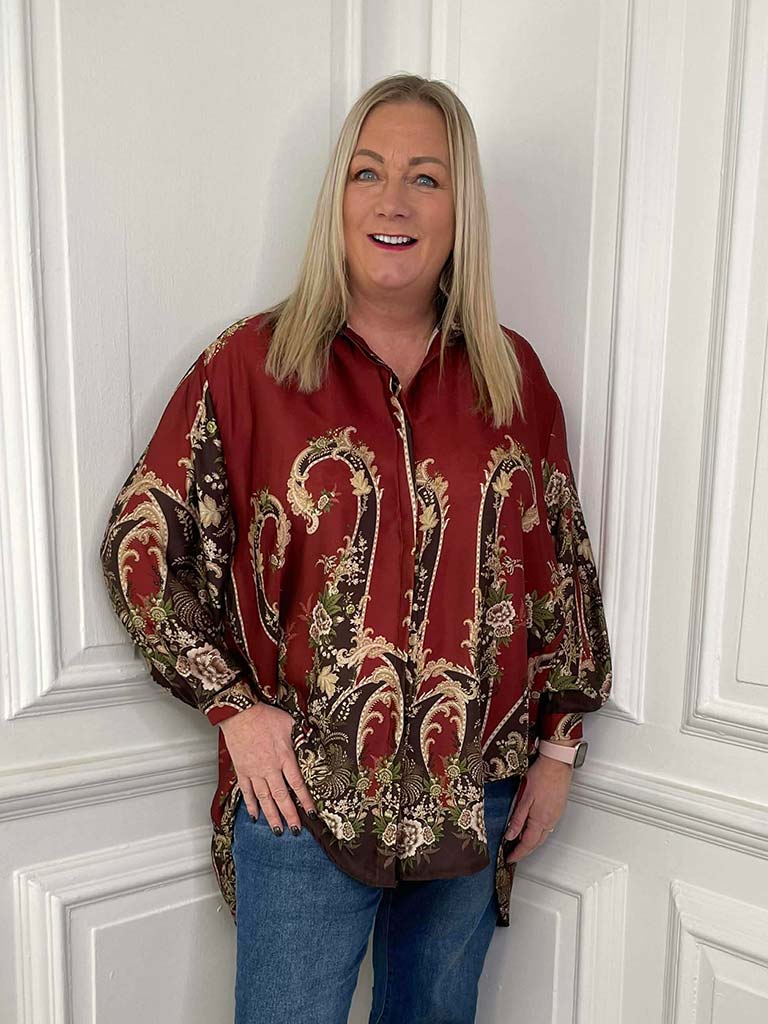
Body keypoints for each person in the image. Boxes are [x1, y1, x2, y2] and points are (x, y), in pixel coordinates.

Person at [100, 72, 612, 1024]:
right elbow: (142, 545)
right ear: (336, 197)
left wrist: (557, 751)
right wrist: (235, 710)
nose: (393, 202)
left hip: (476, 794)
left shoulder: (513, 379)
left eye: (426, 177)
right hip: (304, 802)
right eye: (368, 172)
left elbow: (563, 574)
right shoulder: (251, 368)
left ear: (460, 209)